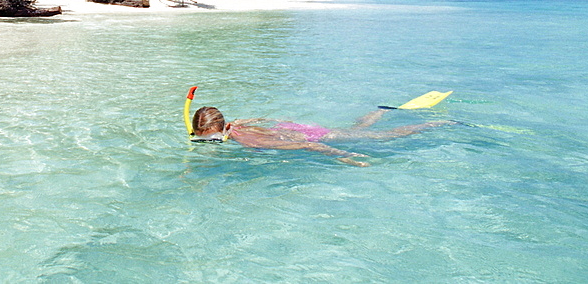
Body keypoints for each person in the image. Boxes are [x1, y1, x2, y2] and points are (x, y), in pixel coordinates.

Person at [191, 105, 451, 167]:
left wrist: (346, 156)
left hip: (307, 135)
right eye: (202, 139)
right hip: (289, 127)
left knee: (383, 138)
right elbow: (253, 120)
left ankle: (434, 123)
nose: (208, 144)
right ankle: (379, 110)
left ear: (223, 130)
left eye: (211, 139)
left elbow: (306, 146)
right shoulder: (234, 126)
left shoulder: (248, 139)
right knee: (357, 131)